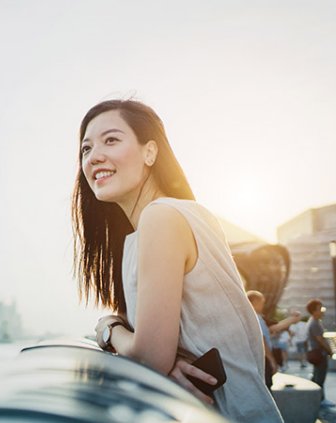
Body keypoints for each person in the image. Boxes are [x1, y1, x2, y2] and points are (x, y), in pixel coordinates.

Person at [74, 99, 283, 422]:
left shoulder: (163, 216)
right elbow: (159, 349)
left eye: (111, 140)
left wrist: (108, 327)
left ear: (150, 153)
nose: (94, 156)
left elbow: (150, 358)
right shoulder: (152, 227)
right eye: (86, 149)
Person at [246, 291, 299, 386]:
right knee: (266, 386)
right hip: (263, 359)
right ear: (254, 303)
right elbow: (262, 340)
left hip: (258, 359)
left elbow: (273, 328)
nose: (263, 305)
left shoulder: (253, 318)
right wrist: (272, 360)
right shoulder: (255, 319)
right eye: (261, 302)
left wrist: (292, 319)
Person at [306, 298, 334, 408]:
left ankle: (315, 397)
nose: (322, 311)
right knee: (319, 378)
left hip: (316, 353)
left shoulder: (314, 321)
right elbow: (320, 340)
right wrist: (330, 351)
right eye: (320, 309)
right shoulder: (315, 323)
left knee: (316, 376)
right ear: (314, 311)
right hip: (319, 354)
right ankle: (320, 399)